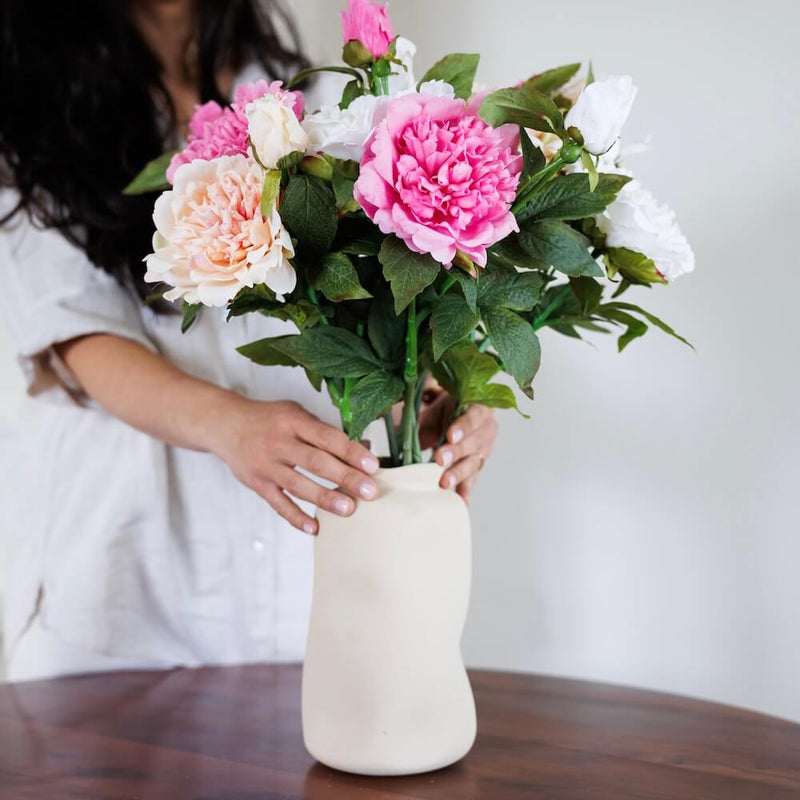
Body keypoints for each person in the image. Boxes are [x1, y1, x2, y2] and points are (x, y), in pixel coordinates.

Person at [0, 0, 498, 683]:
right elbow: (79, 336)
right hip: (128, 587)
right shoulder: (31, 119)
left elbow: (367, 304)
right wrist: (232, 428)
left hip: (308, 575)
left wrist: (431, 396)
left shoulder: (314, 98)